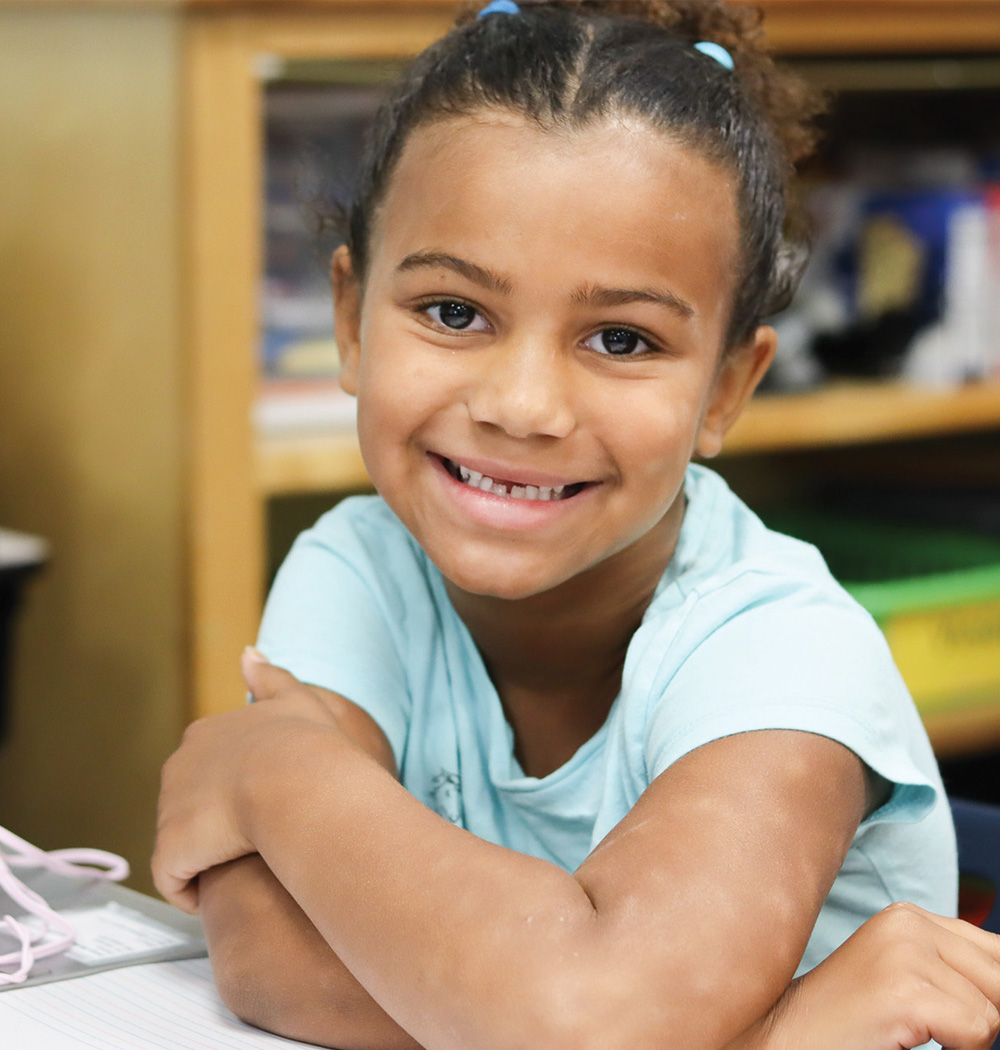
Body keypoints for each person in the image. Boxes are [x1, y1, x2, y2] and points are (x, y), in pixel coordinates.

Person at [153, 2, 1000, 1048]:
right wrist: (766, 1037)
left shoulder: (783, 648)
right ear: (350, 322)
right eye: (454, 313)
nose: (523, 407)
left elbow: (597, 1021)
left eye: (621, 339)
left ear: (727, 390)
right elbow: (261, 953)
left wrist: (274, 771)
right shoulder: (359, 566)